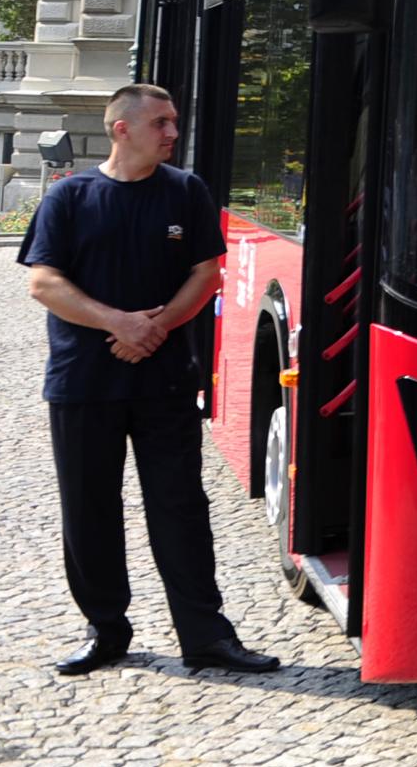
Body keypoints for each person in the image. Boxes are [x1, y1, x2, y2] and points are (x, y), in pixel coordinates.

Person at [18, 84, 279, 676]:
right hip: (82, 382)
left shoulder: (185, 191)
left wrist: (154, 328)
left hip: (163, 379)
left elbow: (206, 274)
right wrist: (119, 324)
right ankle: (106, 631)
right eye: (161, 122)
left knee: (181, 507)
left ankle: (206, 637)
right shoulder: (70, 197)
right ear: (122, 129)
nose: (172, 132)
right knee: (89, 510)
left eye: (173, 122)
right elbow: (43, 283)